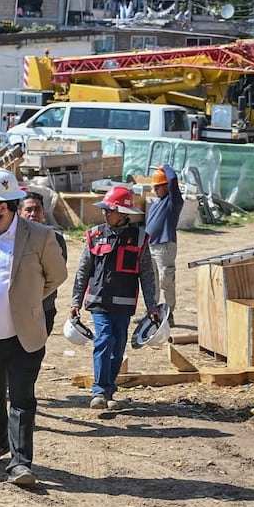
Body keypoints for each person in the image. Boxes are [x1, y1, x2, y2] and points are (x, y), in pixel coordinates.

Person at [0, 168, 68, 487]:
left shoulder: (40, 236)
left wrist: (29, 301)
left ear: (2, 207)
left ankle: (21, 463)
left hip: (24, 333)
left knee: (21, 396)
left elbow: (56, 276)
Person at [70, 185, 159, 411]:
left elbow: (147, 275)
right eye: (105, 210)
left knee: (117, 347)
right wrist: (75, 302)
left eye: (110, 210)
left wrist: (152, 307)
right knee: (104, 340)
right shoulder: (94, 236)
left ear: (123, 213)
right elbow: (83, 271)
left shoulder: (140, 239)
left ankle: (109, 390)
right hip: (99, 302)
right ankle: (99, 391)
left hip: (125, 303)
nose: (105, 214)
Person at [18, 191, 67, 335]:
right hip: (16, 308)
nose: (33, 214)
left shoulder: (55, 239)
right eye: (28, 210)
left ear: (43, 212)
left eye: (37, 209)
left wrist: (36, 297)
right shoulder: (12, 239)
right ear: (19, 212)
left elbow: (56, 275)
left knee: (36, 351)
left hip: (44, 307)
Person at [144, 165, 183, 327]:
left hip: (164, 246)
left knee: (166, 280)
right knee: (152, 282)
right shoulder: (157, 203)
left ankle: (169, 313)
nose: (155, 190)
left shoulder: (173, 202)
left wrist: (165, 167)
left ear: (166, 186)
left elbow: (173, 179)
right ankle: (152, 313)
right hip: (151, 246)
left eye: (157, 186)